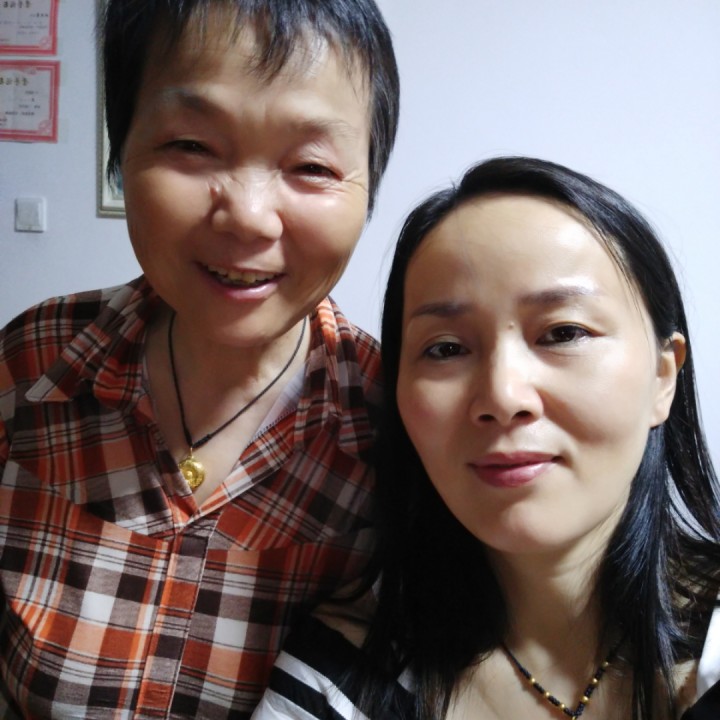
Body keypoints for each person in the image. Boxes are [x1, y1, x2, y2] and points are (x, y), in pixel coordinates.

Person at [0, 1, 399, 717]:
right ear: (122, 153)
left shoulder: (392, 430)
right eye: (191, 145)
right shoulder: (33, 365)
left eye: (311, 165)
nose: (247, 215)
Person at [253, 156, 720, 720]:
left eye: (563, 332)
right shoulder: (340, 673)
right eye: (446, 348)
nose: (502, 396)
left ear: (663, 377)